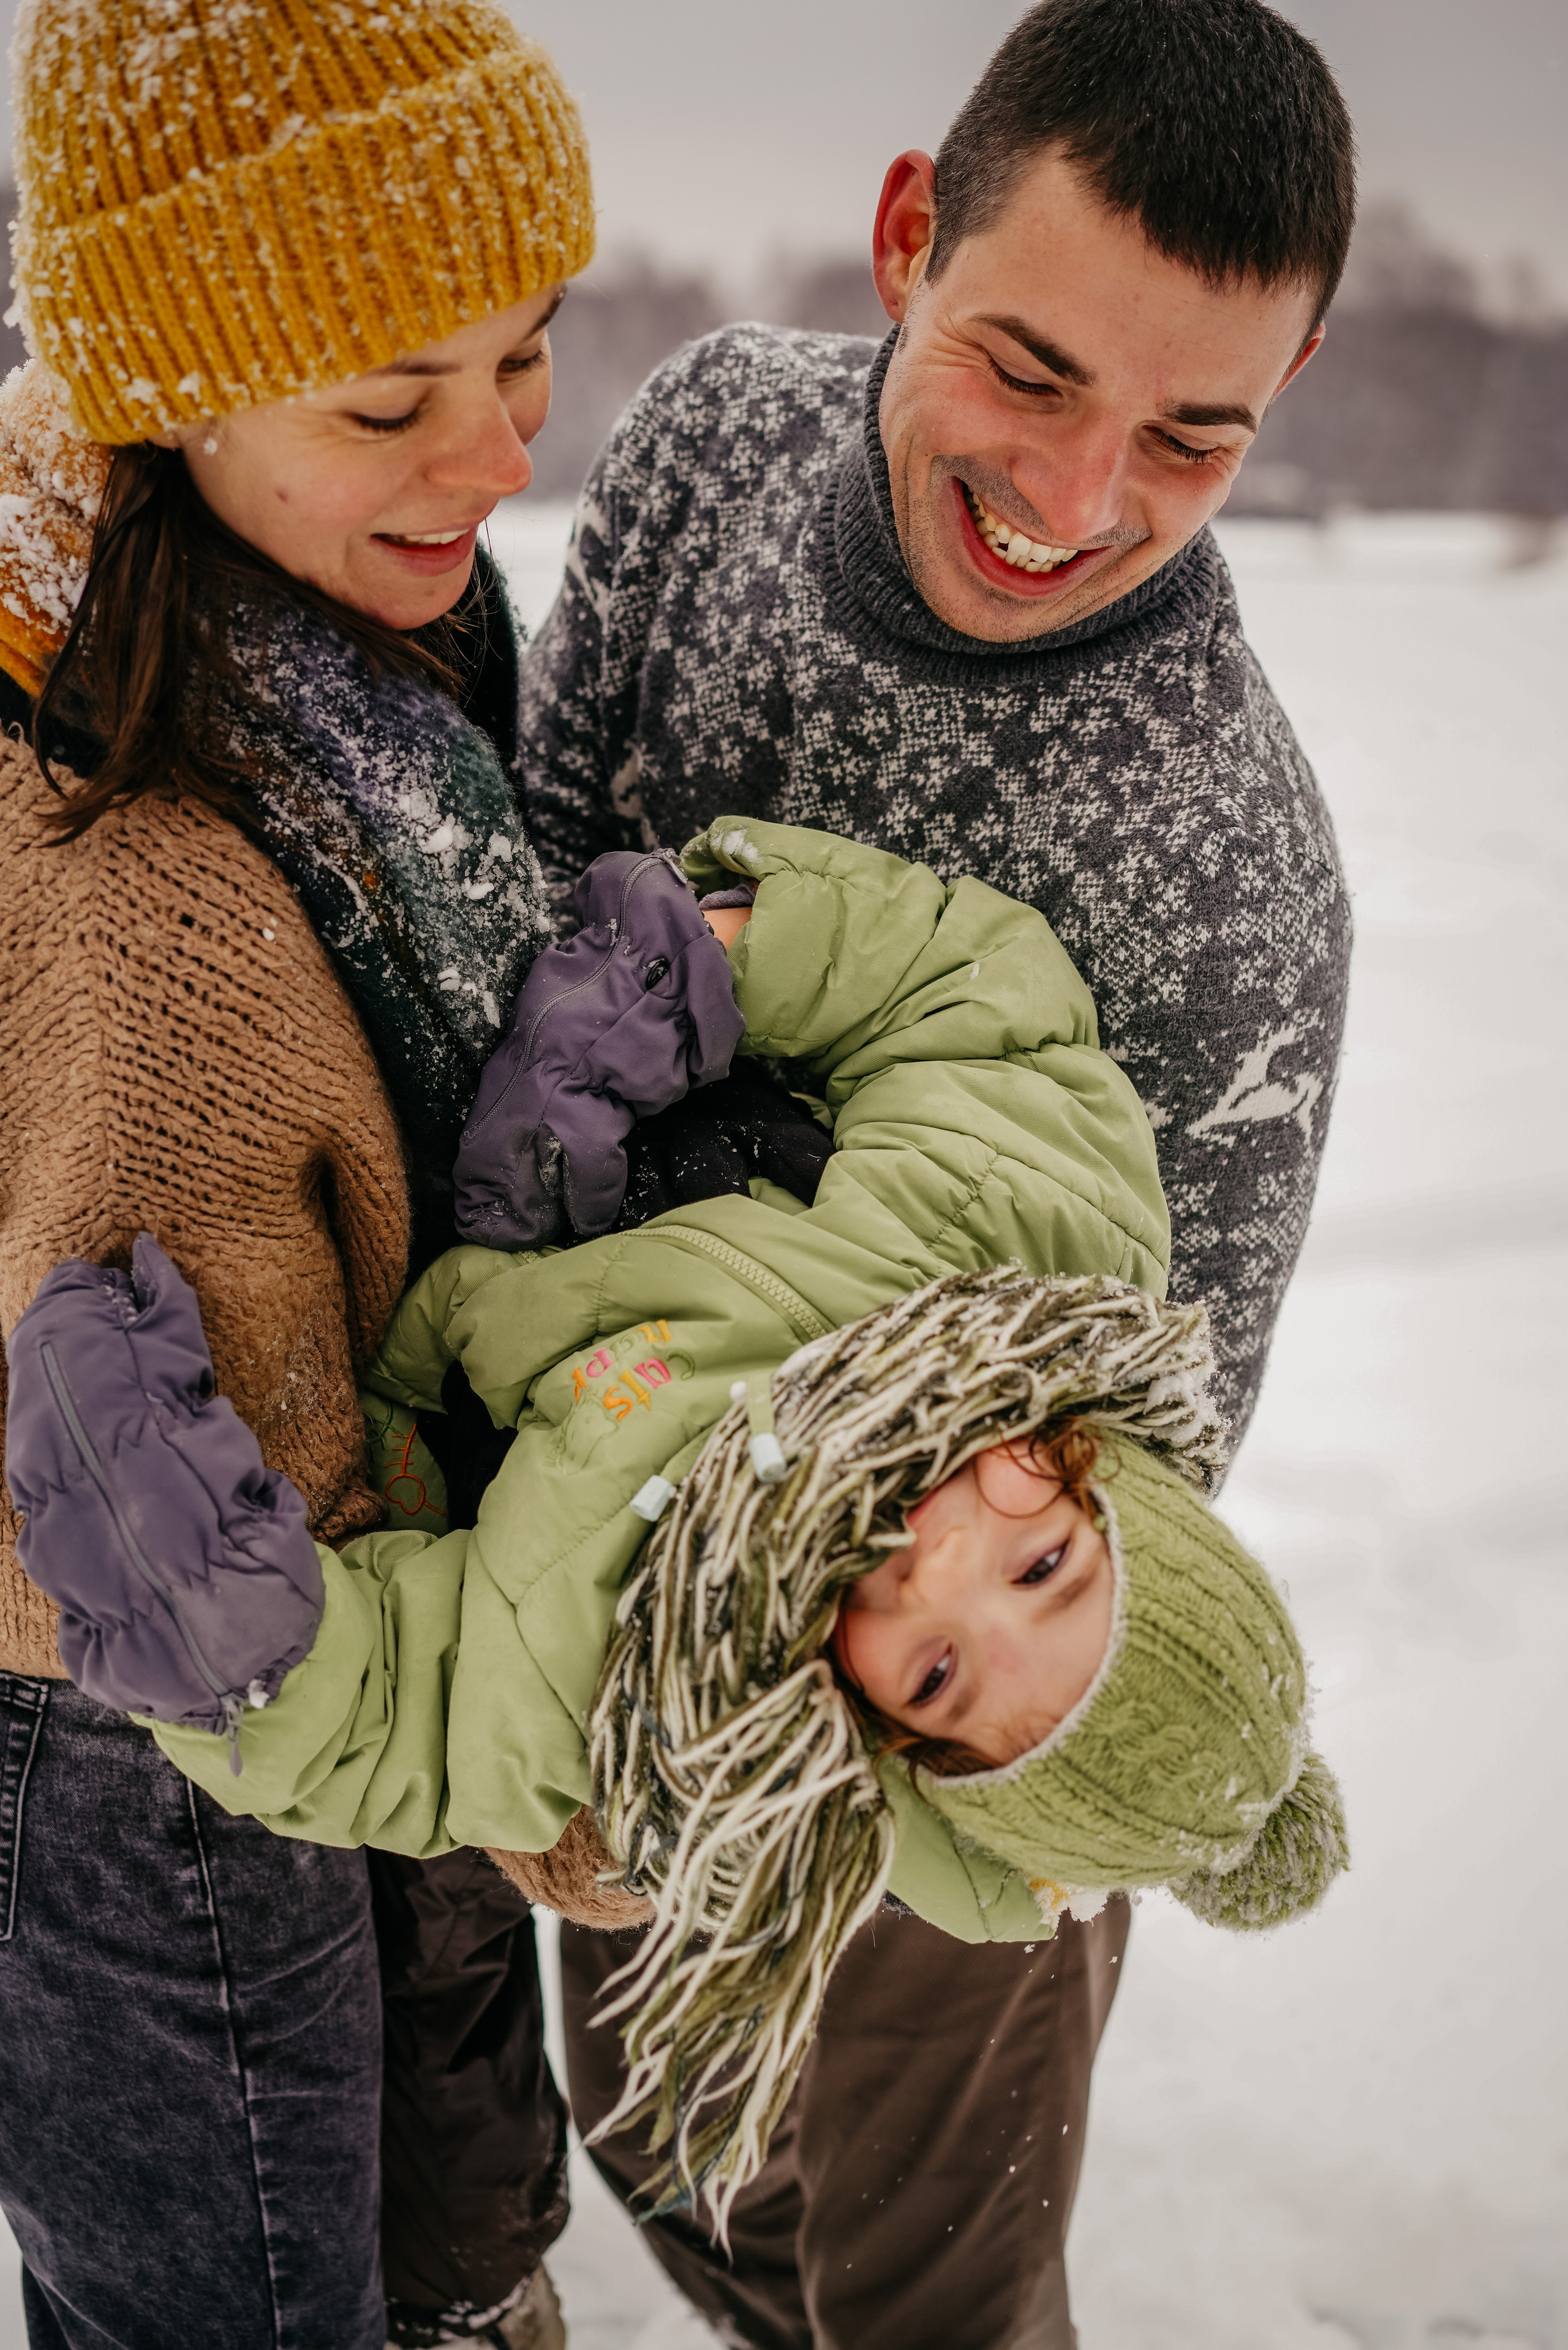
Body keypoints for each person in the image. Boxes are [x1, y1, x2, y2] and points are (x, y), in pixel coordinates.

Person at [516, 0, 1358, 2337]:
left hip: (951, 1704)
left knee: (918, 2287)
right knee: (664, 2149)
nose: (1081, 497)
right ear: (908, 238)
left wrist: (846, 1731)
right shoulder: (705, 449)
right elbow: (528, 880)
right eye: (1029, 369)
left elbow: (1151, 1449)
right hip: (600, 1523)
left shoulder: (1231, 877)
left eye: (1195, 435)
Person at [4, 815, 1348, 2242]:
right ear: (1106, 1478)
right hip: (577, 1111)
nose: (932, 1565)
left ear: (898, 1747)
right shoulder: (1036, 1231)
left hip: (386, 1323)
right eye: (1041, 1562)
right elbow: (977, 1006)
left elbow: (404, 1724)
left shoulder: (663, 1695)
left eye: (940, 1671)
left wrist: (219, 1623)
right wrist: (704, 971)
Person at [0, 3, 595, 2344]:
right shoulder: (149, 878)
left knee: (431, 2240)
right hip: (164, 1705)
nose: (490, 455)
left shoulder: (297, 614)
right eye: (389, 400)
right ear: (168, 385)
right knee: (244, 2304)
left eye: (528, 356)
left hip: (331, 1614)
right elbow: (246, 1507)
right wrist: (591, 1787)